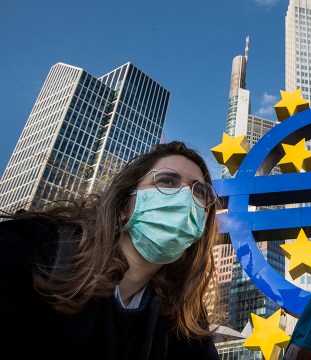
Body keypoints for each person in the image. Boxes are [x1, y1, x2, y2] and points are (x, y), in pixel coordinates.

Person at [0, 141, 222, 359]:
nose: (185, 197)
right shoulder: (31, 247)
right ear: (124, 205)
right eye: (167, 181)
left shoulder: (185, 316)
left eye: (199, 191)